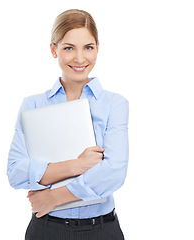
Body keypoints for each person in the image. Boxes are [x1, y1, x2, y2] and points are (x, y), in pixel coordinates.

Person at [7, 9, 129, 240]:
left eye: (88, 47)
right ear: (53, 50)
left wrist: (54, 196)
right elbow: (16, 172)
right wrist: (77, 164)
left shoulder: (114, 104)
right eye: (69, 48)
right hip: (46, 229)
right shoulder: (32, 105)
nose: (80, 58)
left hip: (101, 230)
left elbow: (114, 173)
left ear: (98, 48)